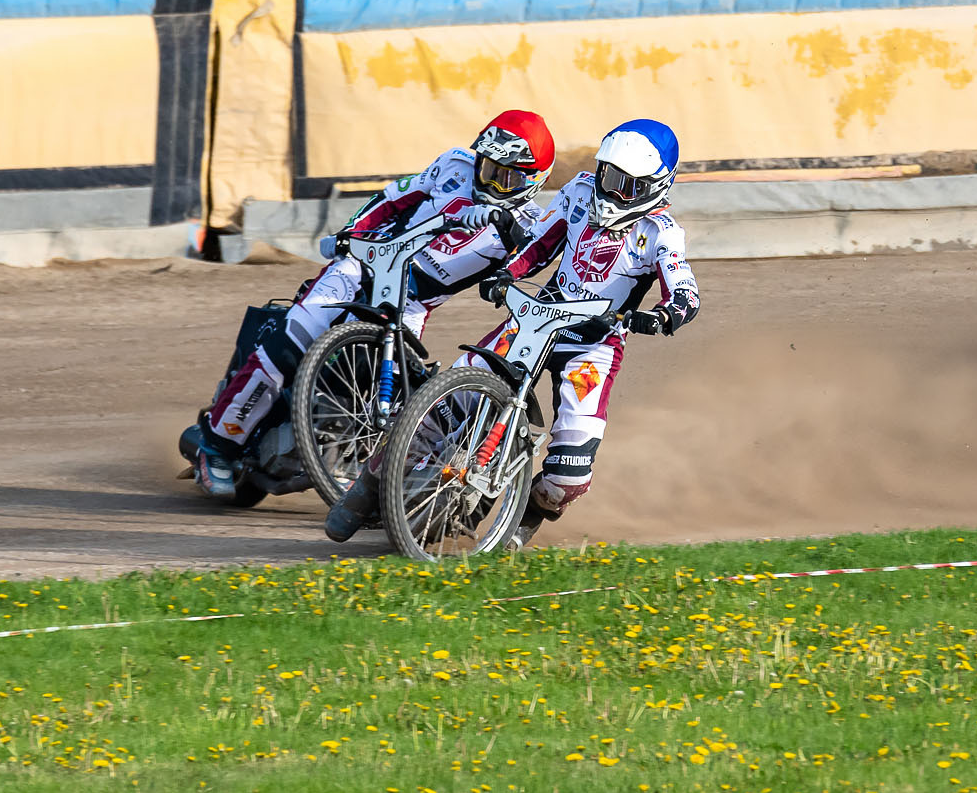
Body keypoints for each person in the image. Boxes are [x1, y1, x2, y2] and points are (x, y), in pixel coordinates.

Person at [324, 118, 700, 548]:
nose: (610, 191)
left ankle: (525, 516)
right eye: (607, 176)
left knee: (568, 477)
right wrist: (506, 274)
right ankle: (368, 488)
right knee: (440, 401)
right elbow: (539, 245)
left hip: (594, 345)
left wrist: (664, 316)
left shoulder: (662, 233)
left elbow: (684, 291)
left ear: (656, 188)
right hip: (537, 319)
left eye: (626, 186)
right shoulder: (578, 192)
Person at [186, 110, 556, 500]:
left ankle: (349, 460)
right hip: (365, 265)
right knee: (290, 344)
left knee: (401, 393)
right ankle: (218, 445)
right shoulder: (453, 165)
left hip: (413, 304)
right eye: (486, 168)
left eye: (506, 176)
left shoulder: (530, 226)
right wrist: (350, 237)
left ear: (533, 181)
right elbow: (391, 200)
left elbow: (536, 264)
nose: (490, 181)